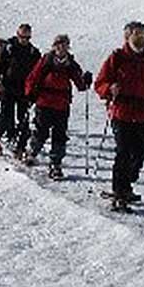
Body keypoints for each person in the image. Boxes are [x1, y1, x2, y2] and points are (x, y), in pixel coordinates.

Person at [94, 21, 144, 211]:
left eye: (143, 34)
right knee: (123, 152)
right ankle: (120, 192)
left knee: (139, 154)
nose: (140, 38)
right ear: (127, 37)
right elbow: (100, 83)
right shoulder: (117, 58)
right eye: (136, 34)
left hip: (142, 113)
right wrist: (109, 88)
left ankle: (125, 185)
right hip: (121, 111)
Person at [22, 34, 91, 180]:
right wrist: (29, 93)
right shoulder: (46, 60)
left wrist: (85, 81)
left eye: (64, 44)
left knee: (59, 135)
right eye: (59, 44)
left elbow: (80, 84)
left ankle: (56, 163)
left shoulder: (71, 63)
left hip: (61, 104)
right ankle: (32, 152)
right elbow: (33, 77)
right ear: (54, 46)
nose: (61, 47)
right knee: (41, 131)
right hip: (44, 102)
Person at [0, 23, 41, 158]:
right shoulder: (9, 49)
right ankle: (6, 137)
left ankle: (20, 146)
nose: (24, 40)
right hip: (8, 87)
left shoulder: (33, 52)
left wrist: (35, 91)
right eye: (22, 36)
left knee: (23, 119)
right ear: (17, 35)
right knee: (7, 116)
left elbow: (38, 72)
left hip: (24, 90)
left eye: (27, 37)